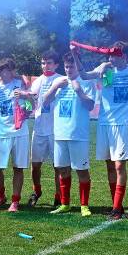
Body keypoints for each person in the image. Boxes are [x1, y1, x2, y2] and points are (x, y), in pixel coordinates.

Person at [75, 41, 128, 220]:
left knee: (119, 165)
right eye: (108, 56)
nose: (109, 59)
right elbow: (84, 75)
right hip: (104, 123)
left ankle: (116, 208)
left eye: (113, 56)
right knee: (109, 164)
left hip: (122, 124)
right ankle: (116, 205)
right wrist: (76, 56)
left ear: (123, 56)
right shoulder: (105, 71)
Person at [42, 53, 96, 216]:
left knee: (81, 170)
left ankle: (84, 205)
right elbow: (44, 101)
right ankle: (65, 204)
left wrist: (79, 91)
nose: (68, 70)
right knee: (63, 170)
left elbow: (90, 106)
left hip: (78, 135)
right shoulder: (59, 82)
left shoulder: (86, 82)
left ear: (78, 67)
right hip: (59, 134)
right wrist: (54, 87)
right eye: (66, 67)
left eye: (71, 66)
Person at [0, 58, 32, 212]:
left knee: (18, 168)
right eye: (8, 70)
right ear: (0, 72)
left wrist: (27, 105)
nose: (12, 73)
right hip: (0, 133)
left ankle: (15, 201)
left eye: (13, 70)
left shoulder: (20, 83)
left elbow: (31, 103)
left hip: (20, 133)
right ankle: (1, 196)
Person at [27, 51, 63, 207]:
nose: (45, 66)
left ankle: (59, 195)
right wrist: (27, 108)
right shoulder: (37, 81)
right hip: (39, 128)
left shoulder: (62, 79)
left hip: (56, 129)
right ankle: (37, 191)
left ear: (56, 65)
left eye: (49, 62)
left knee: (58, 166)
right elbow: (32, 104)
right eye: (43, 63)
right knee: (35, 165)